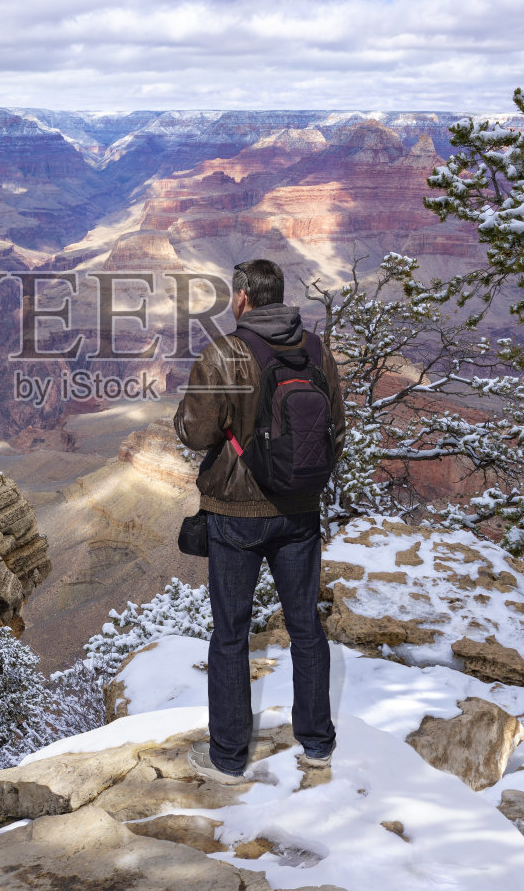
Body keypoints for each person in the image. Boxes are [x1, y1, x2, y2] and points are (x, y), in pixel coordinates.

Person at [173, 258, 346, 785]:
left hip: (237, 515)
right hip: (299, 511)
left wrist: (185, 419)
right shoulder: (315, 349)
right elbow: (335, 423)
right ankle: (317, 744)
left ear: (243, 297)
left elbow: (197, 434)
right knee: (305, 627)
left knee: (230, 633)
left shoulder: (224, 352)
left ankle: (227, 757)